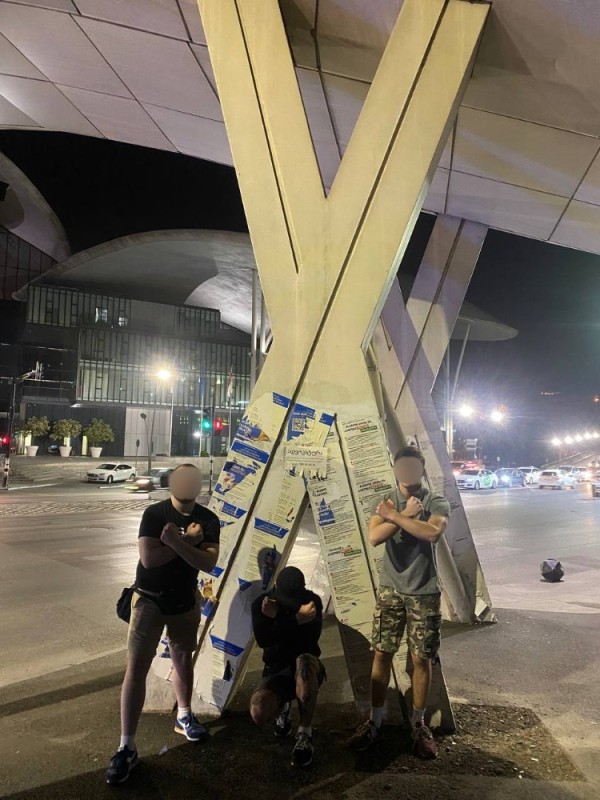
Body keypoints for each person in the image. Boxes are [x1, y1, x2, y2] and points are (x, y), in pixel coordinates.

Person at [106, 463, 220, 785]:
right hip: (149, 599)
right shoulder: (155, 513)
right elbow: (148, 560)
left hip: (185, 601)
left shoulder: (208, 519)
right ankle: (126, 746)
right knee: (136, 668)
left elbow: (208, 563)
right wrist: (189, 543)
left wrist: (174, 541)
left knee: (183, 661)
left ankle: (184, 715)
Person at [348, 446, 450, 759]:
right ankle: (375, 720)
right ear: (396, 469)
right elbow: (375, 537)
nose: (407, 472)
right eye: (402, 466)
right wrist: (401, 515)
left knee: (421, 659)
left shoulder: (436, 501)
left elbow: (432, 533)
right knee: (382, 653)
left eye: (413, 467)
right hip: (391, 589)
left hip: (424, 591)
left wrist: (392, 517)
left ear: (420, 469)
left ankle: (418, 724)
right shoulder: (386, 501)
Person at [250, 566, 325, 768]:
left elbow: (309, 640)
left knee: (304, 662)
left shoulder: (313, 601)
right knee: (258, 710)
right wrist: (296, 619)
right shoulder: (261, 604)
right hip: (276, 667)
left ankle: (305, 733)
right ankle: (282, 708)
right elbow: (264, 639)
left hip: (305, 664)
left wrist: (280, 618)